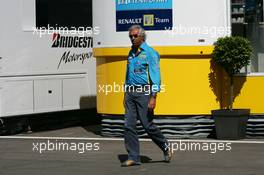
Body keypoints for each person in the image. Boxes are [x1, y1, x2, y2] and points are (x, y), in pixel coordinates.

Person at [121, 25, 172, 167]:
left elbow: (156, 77)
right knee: (128, 125)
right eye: (130, 36)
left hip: (144, 93)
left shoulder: (151, 53)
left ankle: (165, 146)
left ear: (142, 36)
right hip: (130, 93)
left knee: (147, 125)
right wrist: (126, 92)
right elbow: (127, 74)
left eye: (135, 36)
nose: (132, 38)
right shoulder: (131, 53)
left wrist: (153, 97)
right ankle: (133, 157)